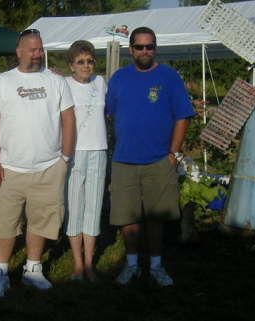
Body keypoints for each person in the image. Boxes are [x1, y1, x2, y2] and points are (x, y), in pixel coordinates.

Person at [0, 29, 76, 297]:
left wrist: (65, 159)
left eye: (40, 49)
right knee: (5, 223)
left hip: (49, 168)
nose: (37, 55)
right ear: (19, 51)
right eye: (32, 50)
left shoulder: (56, 81)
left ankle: (32, 269)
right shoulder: (3, 81)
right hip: (10, 167)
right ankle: (0, 273)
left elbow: (69, 119)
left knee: (41, 220)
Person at [106, 26, 195, 286]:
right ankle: (132, 263)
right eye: (140, 47)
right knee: (127, 217)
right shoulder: (119, 78)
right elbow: (109, 114)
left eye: (150, 46)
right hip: (124, 160)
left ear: (155, 48)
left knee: (156, 218)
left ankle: (156, 265)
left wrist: (174, 152)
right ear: (131, 49)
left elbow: (183, 116)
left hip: (159, 160)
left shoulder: (169, 77)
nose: (145, 51)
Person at [64, 40, 107, 282]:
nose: (86, 65)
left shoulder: (101, 83)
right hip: (74, 153)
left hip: (98, 151)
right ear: (71, 65)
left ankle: (89, 264)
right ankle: (77, 264)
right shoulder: (63, 84)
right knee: (74, 207)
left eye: (90, 61)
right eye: (80, 62)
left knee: (93, 207)